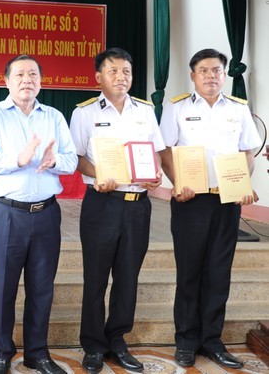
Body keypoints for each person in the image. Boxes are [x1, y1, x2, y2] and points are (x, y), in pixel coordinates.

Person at [0, 55, 77, 374]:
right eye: (19, 74)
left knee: (42, 286)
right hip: (6, 214)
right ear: (6, 81)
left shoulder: (55, 117)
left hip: (46, 214)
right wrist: (18, 159)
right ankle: (2, 353)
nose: (27, 79)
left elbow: (71, 161)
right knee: (3, 286)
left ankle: (37, 353)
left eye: (33, 74)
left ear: (41, 82)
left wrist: (52, 160)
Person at [159, 48, 261, 370]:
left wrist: (243, 183)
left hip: (227, 201)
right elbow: (165, 150)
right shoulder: (176, 108)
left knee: (219, 274)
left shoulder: (238, 110)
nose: (211, 76)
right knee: (190, 272)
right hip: (192, 201)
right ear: (193, 76)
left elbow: (247, 151)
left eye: (217, 70)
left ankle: (212, 341)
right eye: (203, 70)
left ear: (224, 74)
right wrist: (177, 183)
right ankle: (186, 341)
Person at [68, 48, 165, 374]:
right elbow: (77, 157)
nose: (121, 77)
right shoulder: (85, 113)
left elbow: (155, 153)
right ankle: (93, 345)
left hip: (138, 207)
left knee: (127, 277)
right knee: (95, 277)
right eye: (113, 71)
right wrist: (98, 175)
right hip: (102, 204)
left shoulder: (146, 111)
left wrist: (155, 175)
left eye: (126, 71)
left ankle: (118, 340)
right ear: (98, 77)